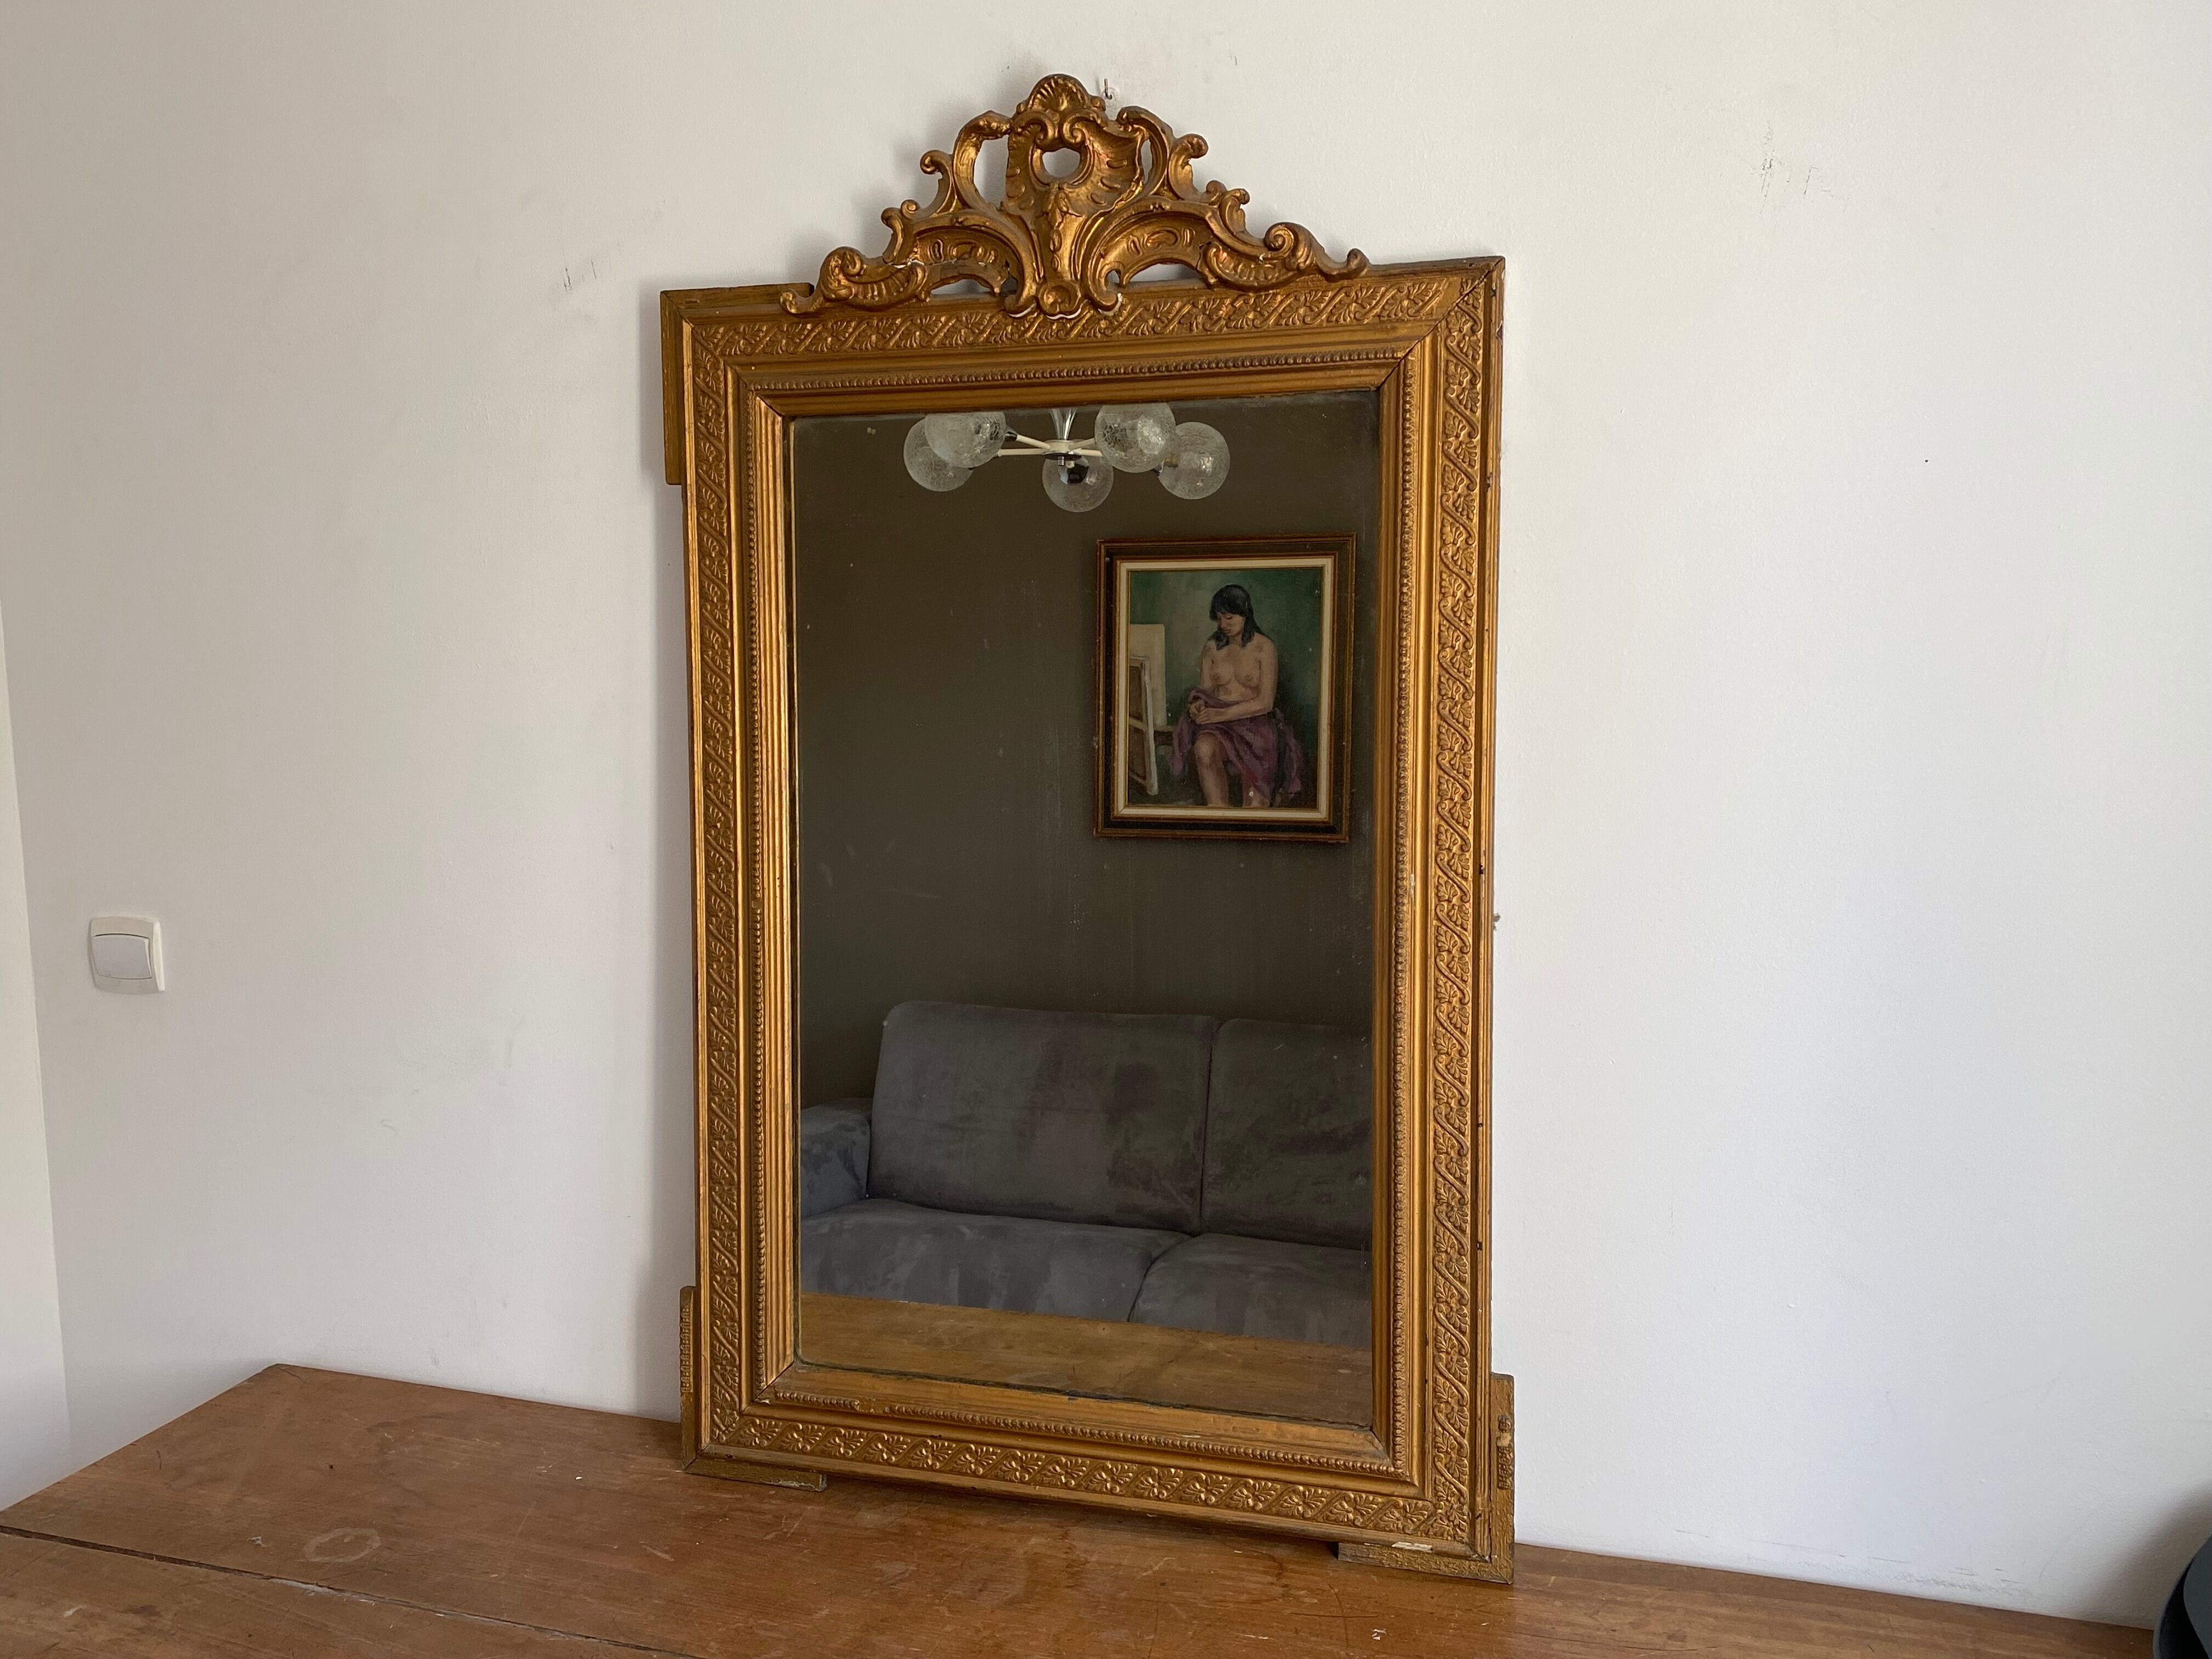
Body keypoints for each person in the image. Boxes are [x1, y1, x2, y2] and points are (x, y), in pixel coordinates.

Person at [1167, 584, 1306, 808]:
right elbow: (1206, 691)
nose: (1223, 625)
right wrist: (1198, 704)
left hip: (1256, 726)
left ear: (1245, 614)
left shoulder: (1264, 648)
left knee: (1255, 806)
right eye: (1219, 618)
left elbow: (1265, 703)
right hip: (1219, 727)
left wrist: (1221, 714)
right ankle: (1218, 810)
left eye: (1229, 618)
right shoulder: (1212, 648)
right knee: (1204, 748)